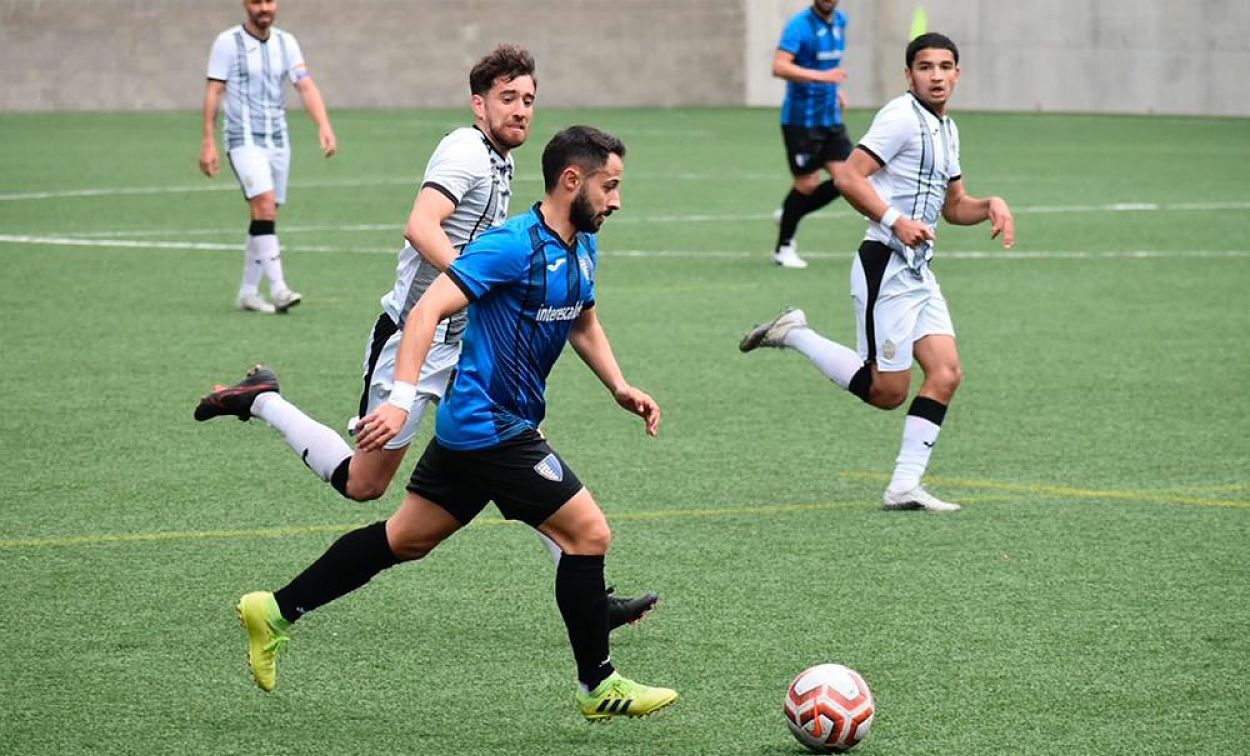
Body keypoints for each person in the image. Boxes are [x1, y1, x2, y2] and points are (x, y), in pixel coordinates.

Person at [196, 46, 657, 628]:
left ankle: (591, 594)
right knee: (364, 485)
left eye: (529, 100)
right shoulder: (465, 150)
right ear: (478, 103)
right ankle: (262, 399)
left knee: (519, 444)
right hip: (414, 333)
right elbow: (419, 226)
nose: (520, 110)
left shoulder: (502, 160)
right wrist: (478, 284)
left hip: (462, 336)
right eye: (508, 98)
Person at [235, 125, 679, 720]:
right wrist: (399, 398)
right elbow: (426, 310)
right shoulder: (511, 245)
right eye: (610, 186)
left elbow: (583, 323)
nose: (616, 200)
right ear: (572, 180)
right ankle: (598, 686)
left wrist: (619, 385)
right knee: (589, 534)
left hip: (486, 430)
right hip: (489, 426)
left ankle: (274, 609)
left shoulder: (583, 245)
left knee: (404, 539)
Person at [740, 33, 1015, 512]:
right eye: (925, 67)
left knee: (946, 373)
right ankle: (794, 333)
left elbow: (953, 207)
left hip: (918, 271)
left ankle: (904, 486)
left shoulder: (947, 129)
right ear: (909, 75)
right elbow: (848, 175)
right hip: (884, 265)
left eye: (945, 67)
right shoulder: (899, 117)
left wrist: (990, 204)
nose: (936, 75)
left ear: (957, 74)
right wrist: (895, 220)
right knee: (888, 392)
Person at [199, 0, 337, 313]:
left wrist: (324, 125)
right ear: (245, 5)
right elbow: (214, 91)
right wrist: (208, 141)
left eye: (269, 1)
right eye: (257, 1)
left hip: (278, 140)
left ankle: (248, 292)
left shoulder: (286, 42)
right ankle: (278, 289)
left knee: (266, 213)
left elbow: (305, 85)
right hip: (242, 139)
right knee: (263, 204)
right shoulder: (227, 42)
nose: (265, 8)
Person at [770, 0, 853, 269]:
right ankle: (783, 249)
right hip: (801, 121)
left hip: (830, 118)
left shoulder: (840, 21)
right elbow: (779, 66)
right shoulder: (799, 25)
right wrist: (823, 78)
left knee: (849, 179)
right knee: (806, 185)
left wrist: (835, 90)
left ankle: (790, 214)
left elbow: (828, 66)